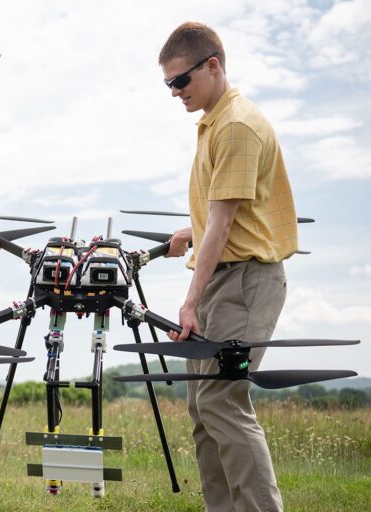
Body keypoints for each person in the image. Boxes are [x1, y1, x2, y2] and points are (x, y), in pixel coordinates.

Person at [159, 22, 298, 512]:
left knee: (223, 401)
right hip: (223, 275)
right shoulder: (214, 122)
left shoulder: (237, 125)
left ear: (212, 65)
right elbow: (223, 213)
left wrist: (190, 301)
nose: (175, 92)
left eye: (181, 81)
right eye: (169, 84)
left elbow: (222, 226)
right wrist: (190, 230)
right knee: (203, 406)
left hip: (245, 281)